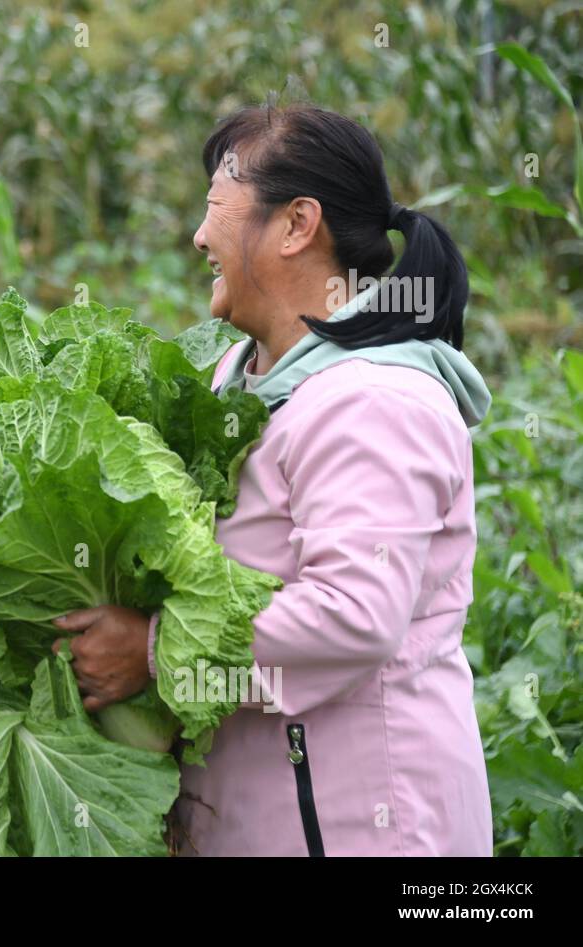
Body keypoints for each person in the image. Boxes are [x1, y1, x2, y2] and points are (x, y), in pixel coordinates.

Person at [52, 102, 495, 856]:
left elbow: (354, 611)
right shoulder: (240, 374)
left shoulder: (373, 400)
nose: (197, 237)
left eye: (215, 211)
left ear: (296, 225)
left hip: (361, 825)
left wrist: (156, 650)